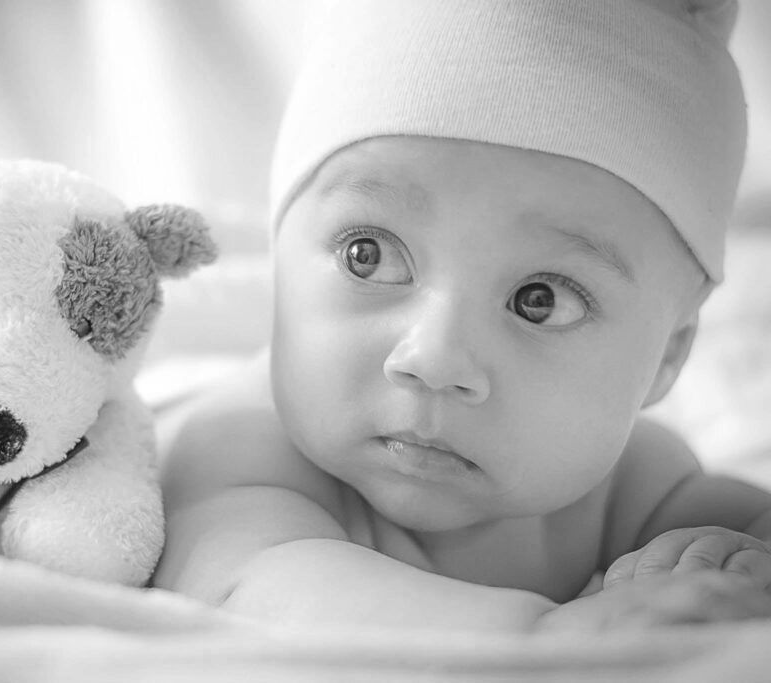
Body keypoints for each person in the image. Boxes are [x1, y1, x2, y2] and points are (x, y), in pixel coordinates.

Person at [152, 0, 771, 631]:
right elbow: (254, 585)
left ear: (667, 355)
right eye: (368, 257)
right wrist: (544, 638)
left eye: (541, 301)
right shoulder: (240, 446)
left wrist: (739, 561)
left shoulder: (631, 482)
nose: (434, 358)